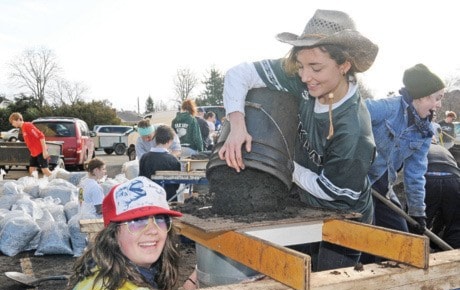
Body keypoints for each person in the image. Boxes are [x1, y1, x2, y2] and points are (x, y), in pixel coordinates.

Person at [218, 9, 378, 270]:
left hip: (343, 213)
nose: (305, 77)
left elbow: (329, 192)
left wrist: (284, 164)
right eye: (302, 66)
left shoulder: (354, 132)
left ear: (344, 64)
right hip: (302, 203)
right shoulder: (304, 79)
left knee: (330, 289)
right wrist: (237, 125)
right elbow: (238, 74)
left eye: (316, 68)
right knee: (292, 276)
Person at [52, 176, 185, 290]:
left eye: (160, 219)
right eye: (137, 221)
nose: (153, 229)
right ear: (113, 234)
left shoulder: (98, 269)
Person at [365, 64, 445, 235]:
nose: (439, 105)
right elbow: (351, 113)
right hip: (358, 183)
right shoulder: (388, 108)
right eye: (437, 98)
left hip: (383, 185)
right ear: (422, 96)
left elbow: (415, 173)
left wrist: (417, 213)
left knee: (400, 234)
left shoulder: (424, 132)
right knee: (366, 236)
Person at [425, 142, 460, 249]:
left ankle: (414, 252)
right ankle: (451, 254)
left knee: (419, 220)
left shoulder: (415, 146)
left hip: (428, 179)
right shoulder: (441, 148)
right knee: (455, 222)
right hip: (454, 180)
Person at [139, 125, 182, 201]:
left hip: (149, 198)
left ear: (155, 139)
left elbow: (141, 179)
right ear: (169, 141)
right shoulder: (173, 160)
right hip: (168, 199)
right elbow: (176, 185)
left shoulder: (144, 158)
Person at [9, 112, 52, 177]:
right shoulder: (23, 128)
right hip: (34, 153)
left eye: (13, 122)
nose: (12, 124)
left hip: (40, 151)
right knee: (32, 169)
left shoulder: (27, 126)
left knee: (45, 170)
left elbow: (41, 136)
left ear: (18, 120)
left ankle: (57, 183)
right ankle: (35, 184)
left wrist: (44, 151)